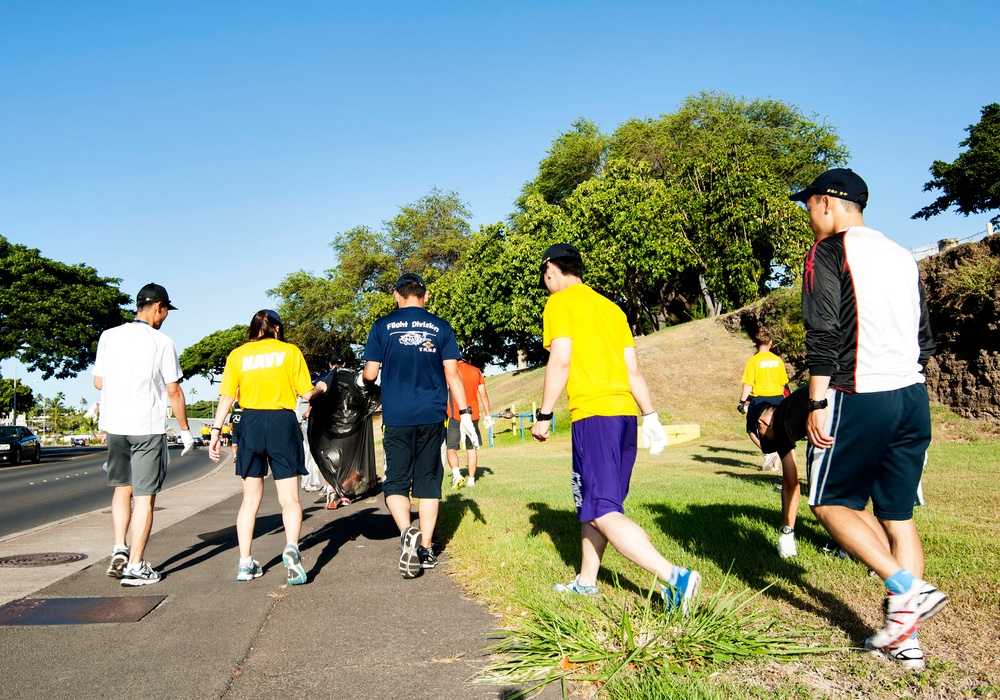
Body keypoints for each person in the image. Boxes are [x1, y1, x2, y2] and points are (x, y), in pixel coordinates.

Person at [790, 168, 946, 671]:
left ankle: (909, 588)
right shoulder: (903, 255)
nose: (808, 216)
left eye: (808, 206)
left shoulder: (828, 252)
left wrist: (815, 402)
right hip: (911, 396)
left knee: (829, 502)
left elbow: (824, 330)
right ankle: (907, 642)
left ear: (828, 203)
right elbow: (926, 338)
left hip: (859, 393)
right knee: (898, 516)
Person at [529, 244, 701, 612]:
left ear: (551, 270)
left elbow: (560, 360)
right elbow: (633, 370)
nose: (545, 283)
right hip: (623, 417)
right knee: (596, 504)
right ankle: (587, 582)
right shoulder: (611, 308)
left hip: (594, 416)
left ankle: (675, 577)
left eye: (544, 276)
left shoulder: (560, 303)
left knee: (603, 508)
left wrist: (544, 415)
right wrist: (650, 416)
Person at [361, 273, 478, 579]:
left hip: (397, 415)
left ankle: (405, 532)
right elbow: (452, 374)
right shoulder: (441, 326)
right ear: (425, 296)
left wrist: (361, 381)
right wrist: (464, 413)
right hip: (431, 414)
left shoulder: (382, 326)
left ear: (397, 296)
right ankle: (425, 549)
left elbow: (370, 374)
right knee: (428, 481)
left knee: (396, 481)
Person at [92, 283, 195, 586]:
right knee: (145, 497)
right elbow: (173, 390)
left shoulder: (108, 337)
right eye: (165, 312)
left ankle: (119, 548)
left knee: (122, 487)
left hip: (115, 425)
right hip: (146, 428)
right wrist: (186, 431)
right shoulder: (162, 342)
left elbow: (99, 382)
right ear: (159, 307)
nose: (165, 317)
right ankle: (135, 566)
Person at [208, 310, 320, 585]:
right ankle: (292, 547)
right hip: (282, 422)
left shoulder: (238, 355)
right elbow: (306, 393)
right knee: (290, 499)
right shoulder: (290, 351)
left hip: (250, 422)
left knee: (249, 500)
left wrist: (215, 430)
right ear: (277, 329)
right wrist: (323, 388)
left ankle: (245, 563)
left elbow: (226, 396)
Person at [738, 331, 789, 471]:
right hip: (778, 398)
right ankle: (775, 467)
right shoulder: (777, 360)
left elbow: (748, 384)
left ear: (757, 343)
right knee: (777, 431)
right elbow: (783, 383)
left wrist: (742, 402)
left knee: (751, 429)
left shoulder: (753, 361)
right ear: (770, 343)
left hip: (760, 399)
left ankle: (769, 451)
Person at [446, 356, 492, 488]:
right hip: (473, 415)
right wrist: (488, 415)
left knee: (451, 448)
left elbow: (445, 390)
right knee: (471, 448)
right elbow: (483, 394)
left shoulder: (449, 370)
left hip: (456, 414)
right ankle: (471, 480)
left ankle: (456, 474)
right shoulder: (476, 371)